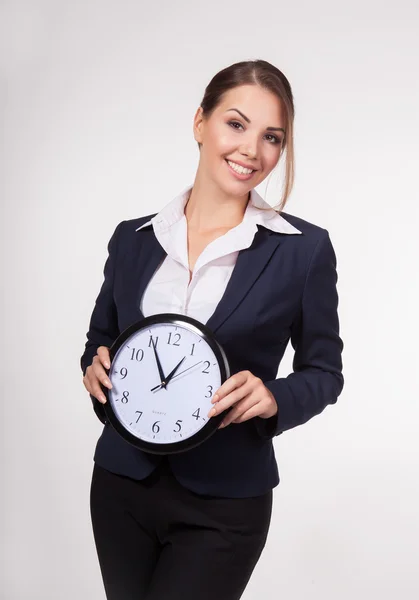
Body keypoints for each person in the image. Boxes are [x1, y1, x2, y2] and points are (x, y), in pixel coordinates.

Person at [80, 59, 344, 600]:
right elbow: (101, 337)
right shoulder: (133, 239)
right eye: (236, 124)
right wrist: (95, 368)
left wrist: (274, 396)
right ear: (200, 122)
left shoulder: (303, 251)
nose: (252, 149)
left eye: (272, 136)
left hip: (225, 500)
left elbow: (325, 371)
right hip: (122, 484)